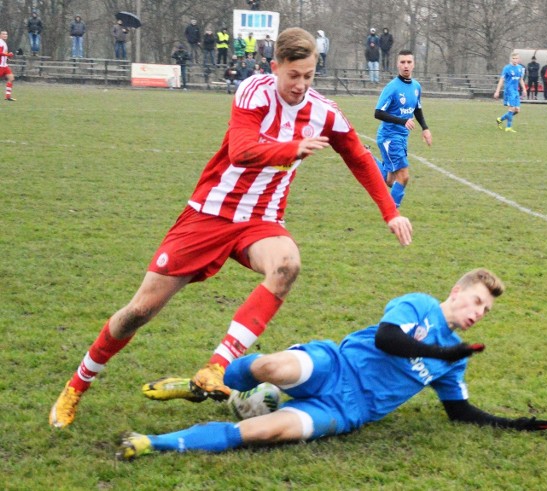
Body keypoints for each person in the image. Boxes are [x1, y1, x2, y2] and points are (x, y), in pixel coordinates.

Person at [49, 27, 412, 430]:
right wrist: (290, 149)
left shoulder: (323, 111)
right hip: (209, 214)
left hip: (261, 219)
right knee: (139, 311)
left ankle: (215, 368)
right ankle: (76, 386)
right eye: (294, 76)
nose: (301, 85)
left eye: (309, 76)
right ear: (276, 68)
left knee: (287, 265)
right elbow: (242, 150)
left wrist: (389, 212)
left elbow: (359, 158)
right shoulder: (253, 92)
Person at [116, 268, 547, 460]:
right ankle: (206, 383)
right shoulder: (419, 305)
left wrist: (515, 424)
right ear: (457, 292)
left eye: (486, 311)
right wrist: (442, 352)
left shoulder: (453, 364)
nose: (479, 312)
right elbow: (388, 339)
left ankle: (152, 442)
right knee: (271, 367)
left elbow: (459, 413)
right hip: (336, 364)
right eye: (477, 301)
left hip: (348, 411)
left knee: (263, 433)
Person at [375, 49, 432, 208]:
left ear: (413, 65)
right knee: (404, 177)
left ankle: (368, 159)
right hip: (389, 137)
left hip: (401, 137)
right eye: (402, 62)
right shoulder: (392, 87)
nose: (406, 66)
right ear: (397, 64)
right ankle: (392, 213)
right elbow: (378, 112)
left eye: (409, 62)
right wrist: (402, 121)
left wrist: (425, 128)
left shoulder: (416, 86)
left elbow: (417, 108)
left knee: (391, 181)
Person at [494, 52, 527, 133]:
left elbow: (521, 79)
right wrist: (497, 91)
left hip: (516, 91)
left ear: (519, 59)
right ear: (511, 59)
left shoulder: (520, 68)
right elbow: (501, 80)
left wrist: (524, 89)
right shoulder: (507, 68)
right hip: (509, 90)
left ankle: (500, 119)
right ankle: (508, 127)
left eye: (516, 58)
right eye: (513, 58)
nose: (515, 60)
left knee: (517, 110)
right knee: (511, 108)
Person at [0, 31, 16, 101]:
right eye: (3, 34)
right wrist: (7, 55)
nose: (5, 35)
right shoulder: (0, 42)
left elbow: (3, 53)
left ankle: (8, 96)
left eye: (6, 34)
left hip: (4, 66)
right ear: (0, 35)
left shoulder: (4, 43)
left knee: (11, 78)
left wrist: (7, 57)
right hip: (0, 66)